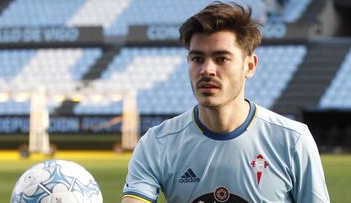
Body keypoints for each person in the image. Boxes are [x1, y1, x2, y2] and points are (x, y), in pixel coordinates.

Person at [121, 2, 330, 203]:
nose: (207, 70)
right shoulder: (157, 144)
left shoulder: (292, 140)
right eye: (197, 59)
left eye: (221, 58)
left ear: (249, 65)